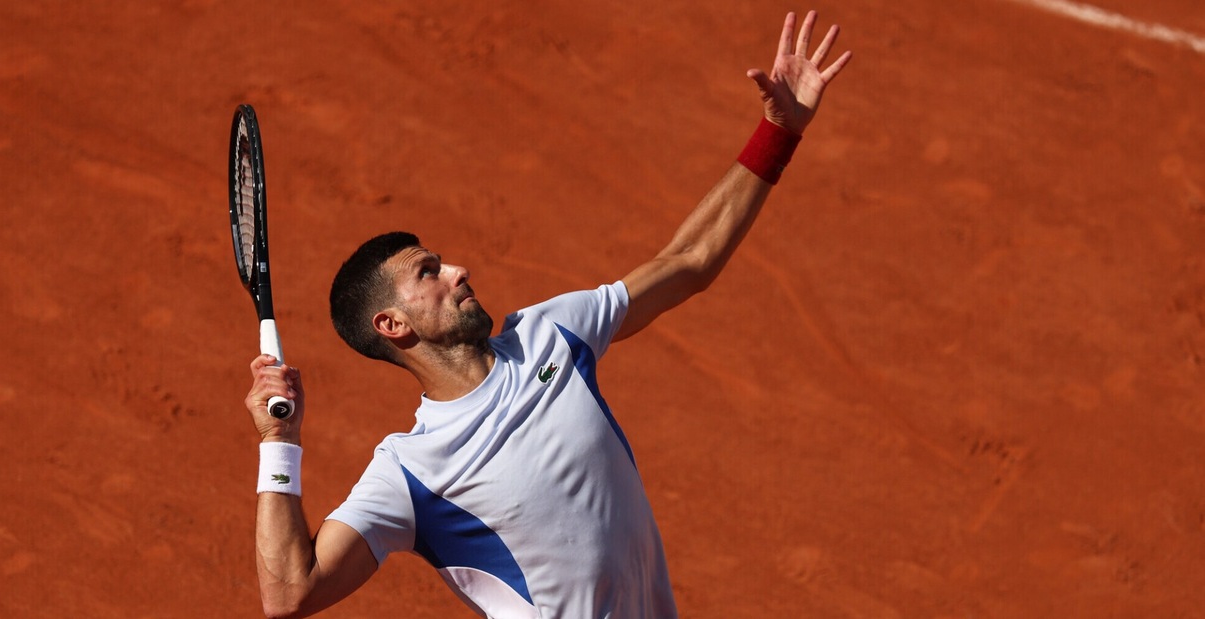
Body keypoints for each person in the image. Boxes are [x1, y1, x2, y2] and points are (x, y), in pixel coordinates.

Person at [243, 10, 850, 619]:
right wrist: (280, 441)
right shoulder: (411, 472)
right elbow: (290, 593)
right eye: (428, 272)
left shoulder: (551, 334)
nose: (458, 271)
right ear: (393, 325)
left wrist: (779, 132)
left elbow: (689, 260)